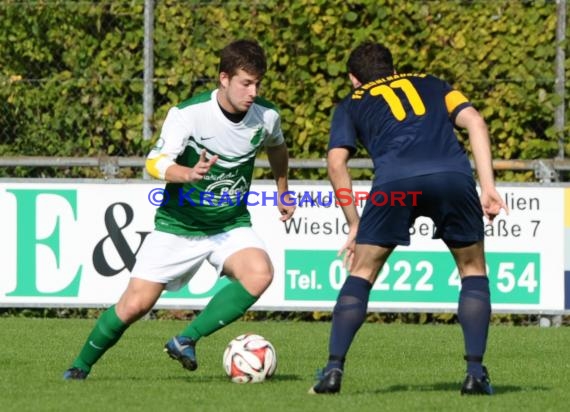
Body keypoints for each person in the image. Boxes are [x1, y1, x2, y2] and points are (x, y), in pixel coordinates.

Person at [63, 39, 295, 380]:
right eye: (246, 83)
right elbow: (154, 163)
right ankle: (79, 367)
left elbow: (277, 148)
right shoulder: (189, 114)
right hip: (178, 225)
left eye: (258, 83)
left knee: (260, 273)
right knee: (134, 306)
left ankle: (186, 339)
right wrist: (187, 173)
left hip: (229, 224)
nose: (253, 91)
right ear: (224, 78)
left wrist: (283, 190)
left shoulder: (266, 115)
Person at [309, 42, 508, 395]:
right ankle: (475, 374)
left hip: (394, 183)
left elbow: (336, 164)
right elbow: (475, 121)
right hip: (451, 177)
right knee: (473, 270)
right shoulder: (433, 83)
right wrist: (488, 186)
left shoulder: (350, 104)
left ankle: (332, 371)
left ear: (354, 79)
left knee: (363, 272)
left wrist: (355, 223)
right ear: (392, 68)